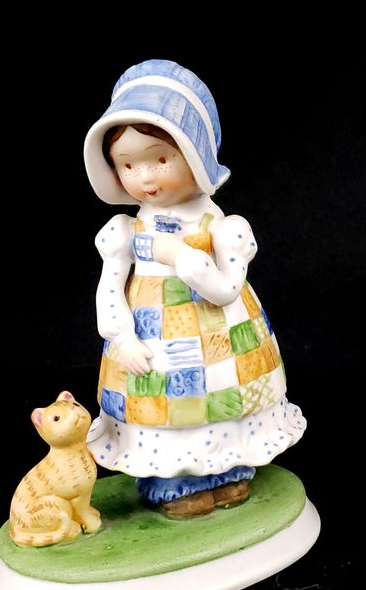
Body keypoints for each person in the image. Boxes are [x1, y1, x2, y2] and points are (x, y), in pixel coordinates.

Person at [83, 60, 306, 517]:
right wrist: (122, 337)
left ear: (196, 154)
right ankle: (174, 483)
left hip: (219, 336)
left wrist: (185, 259)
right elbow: (110, 289)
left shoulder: (222, 226)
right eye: (128, 165)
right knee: (165, 403)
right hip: (152, 338)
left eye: (160, 159)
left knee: (222, 397)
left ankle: (226, 470)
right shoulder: (124, 230)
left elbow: (226, 289)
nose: (145, 178)